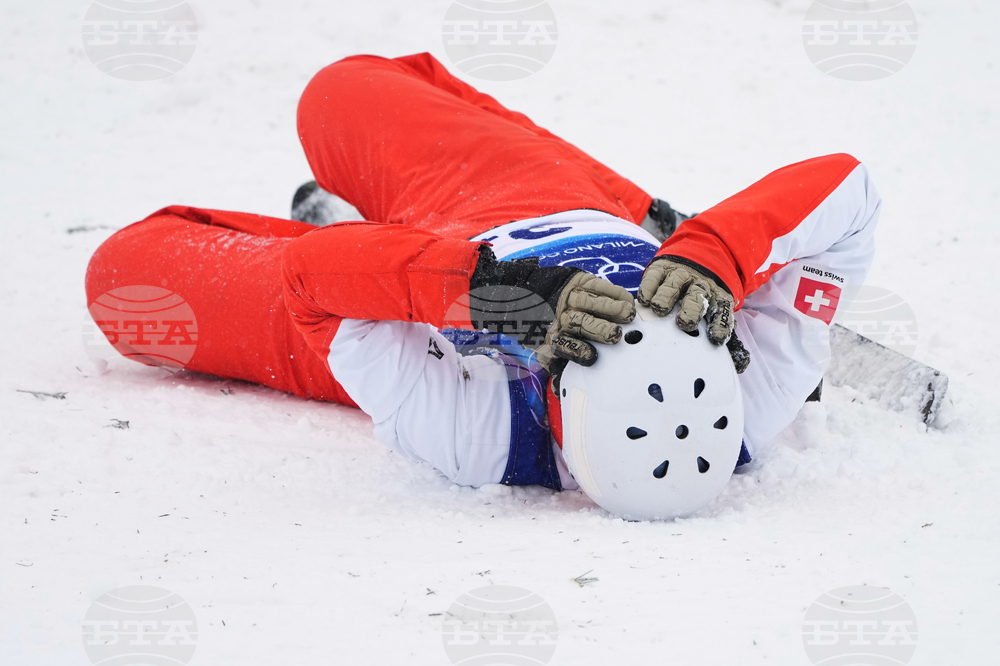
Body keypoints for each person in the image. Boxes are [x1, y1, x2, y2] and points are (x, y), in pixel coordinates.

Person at [85, 53, 881, 517]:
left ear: (558, 415)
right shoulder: (761, 394)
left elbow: (312, 281)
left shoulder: (481, 435)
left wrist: (501, 298)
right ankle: (651, 217)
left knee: (122, 279)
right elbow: (847, 189)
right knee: (339, 91)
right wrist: (715, 254)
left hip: (398, 311)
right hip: (532, 196)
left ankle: (355, 221)